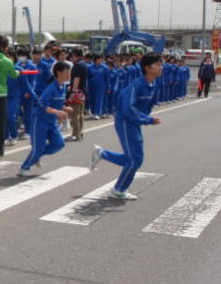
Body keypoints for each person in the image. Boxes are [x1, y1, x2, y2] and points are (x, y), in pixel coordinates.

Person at [90, 53, 163, 200]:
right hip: (124, 121)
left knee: (135, 158)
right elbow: (128, 107)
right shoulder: (138, 84)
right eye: (158, 65)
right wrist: (147, 120)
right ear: (148, 68)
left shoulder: (153, 84)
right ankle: (118, 189)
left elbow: (146, 107)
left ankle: (102, 154)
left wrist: (145, 118)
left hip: (134, 122)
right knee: (135, 159)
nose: (161, 67)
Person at [18, 61, 73, 176]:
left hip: (51, 121)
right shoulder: (51, 87)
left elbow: (56, 103)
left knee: (59, 144)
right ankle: (24, 167)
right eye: (66, 71)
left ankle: (37, 156)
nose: (69, 74)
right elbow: (42, 104)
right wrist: (58, 112)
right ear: (58, 72)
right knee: (38, 148)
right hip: (40, 120)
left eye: (69, 71)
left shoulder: (63, 87)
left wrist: (65, 108)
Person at [67, 48, 87, 142]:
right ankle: (80, 132)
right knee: (80, 114)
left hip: (77, 93)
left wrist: (73, 92)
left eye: (71, 56)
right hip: (83, 92)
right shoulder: (84, 64)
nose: (71, 58)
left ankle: (75, 134)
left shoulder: (77, 66)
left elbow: (76, 79)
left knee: (74, 114)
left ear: (75, 55)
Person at [87, 54, 109, 120]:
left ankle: (97, 113)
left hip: (101, 86)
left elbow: (107, 78)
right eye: (98, 59)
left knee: (99, 100)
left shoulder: (105, 68)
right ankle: (93, 112)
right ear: (95, 60)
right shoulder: (90, 67)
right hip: (92, 86)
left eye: (101, 59)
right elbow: (88, 77)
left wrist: (108, 87)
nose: (100, 61)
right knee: (92, 99)